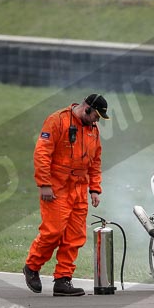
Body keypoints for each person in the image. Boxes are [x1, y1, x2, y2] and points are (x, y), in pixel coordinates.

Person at [23, 94, 108, 296]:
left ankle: (63, 279)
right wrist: (44, 184)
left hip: (79, 189)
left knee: (75, 237)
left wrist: (94, 189)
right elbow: (42, 153)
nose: (97, 121)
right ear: (87, 109)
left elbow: (95, 161)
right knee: (53, 232)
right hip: (56, 188)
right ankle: (32, 267)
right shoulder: (57, 120)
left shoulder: (93, 130)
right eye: (96, 116)